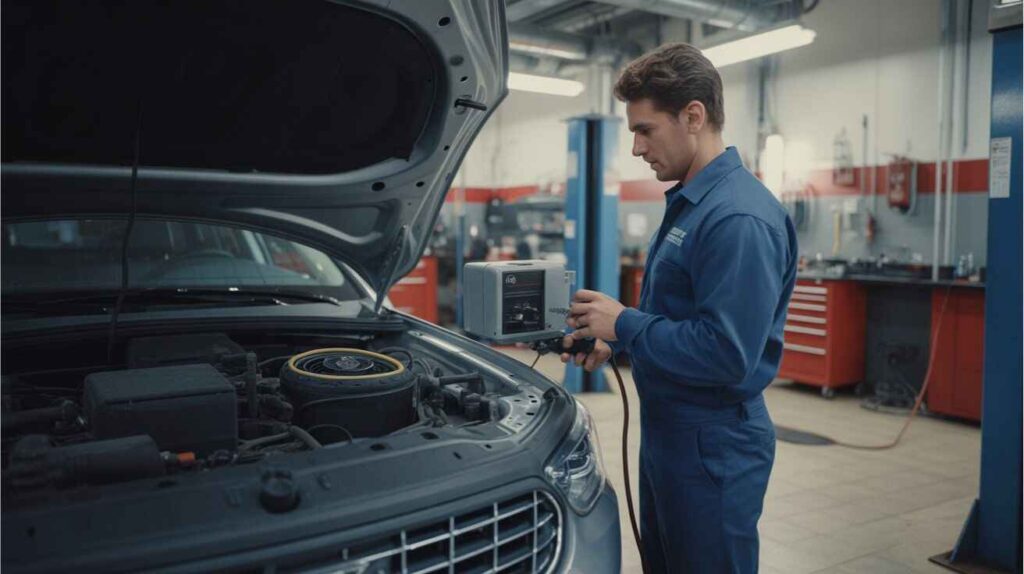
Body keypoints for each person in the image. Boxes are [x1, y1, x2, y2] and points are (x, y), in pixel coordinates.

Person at [560, 43, 797, 573]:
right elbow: (681, 316)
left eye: (646, 129)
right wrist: (616, 337)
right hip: (672, 433)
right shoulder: (694, 201)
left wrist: (624, 321)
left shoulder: (737, 218)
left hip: (713, 444)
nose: (638, 148)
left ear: (693, 115)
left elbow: (724, 353)